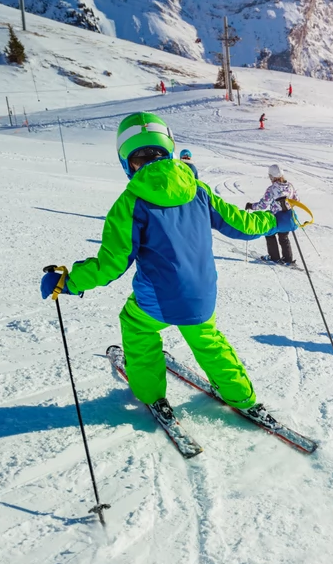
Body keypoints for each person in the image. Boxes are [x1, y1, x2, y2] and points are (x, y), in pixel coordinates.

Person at [39, 112, 298, 427]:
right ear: (170, 150)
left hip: (157, 300)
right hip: (202, 294)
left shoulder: (130, 202)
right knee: (207, 338)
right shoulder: (198, 189)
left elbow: (112, 264)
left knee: (137, 327)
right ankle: (242, 397)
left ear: (126, 161)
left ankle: (151, 394)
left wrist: (69, 282)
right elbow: (241, 224)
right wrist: (276, 222)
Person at [246, 164, 297, 265]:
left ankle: (274, 257)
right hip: (287, 218)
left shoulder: (272, 189)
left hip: (275, 218)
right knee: (284, 237)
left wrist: (251, 206)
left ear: (272, 177)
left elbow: (263, 205)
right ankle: (288, 259)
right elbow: (296, 200)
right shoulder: (290, 186)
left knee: (270, 234)